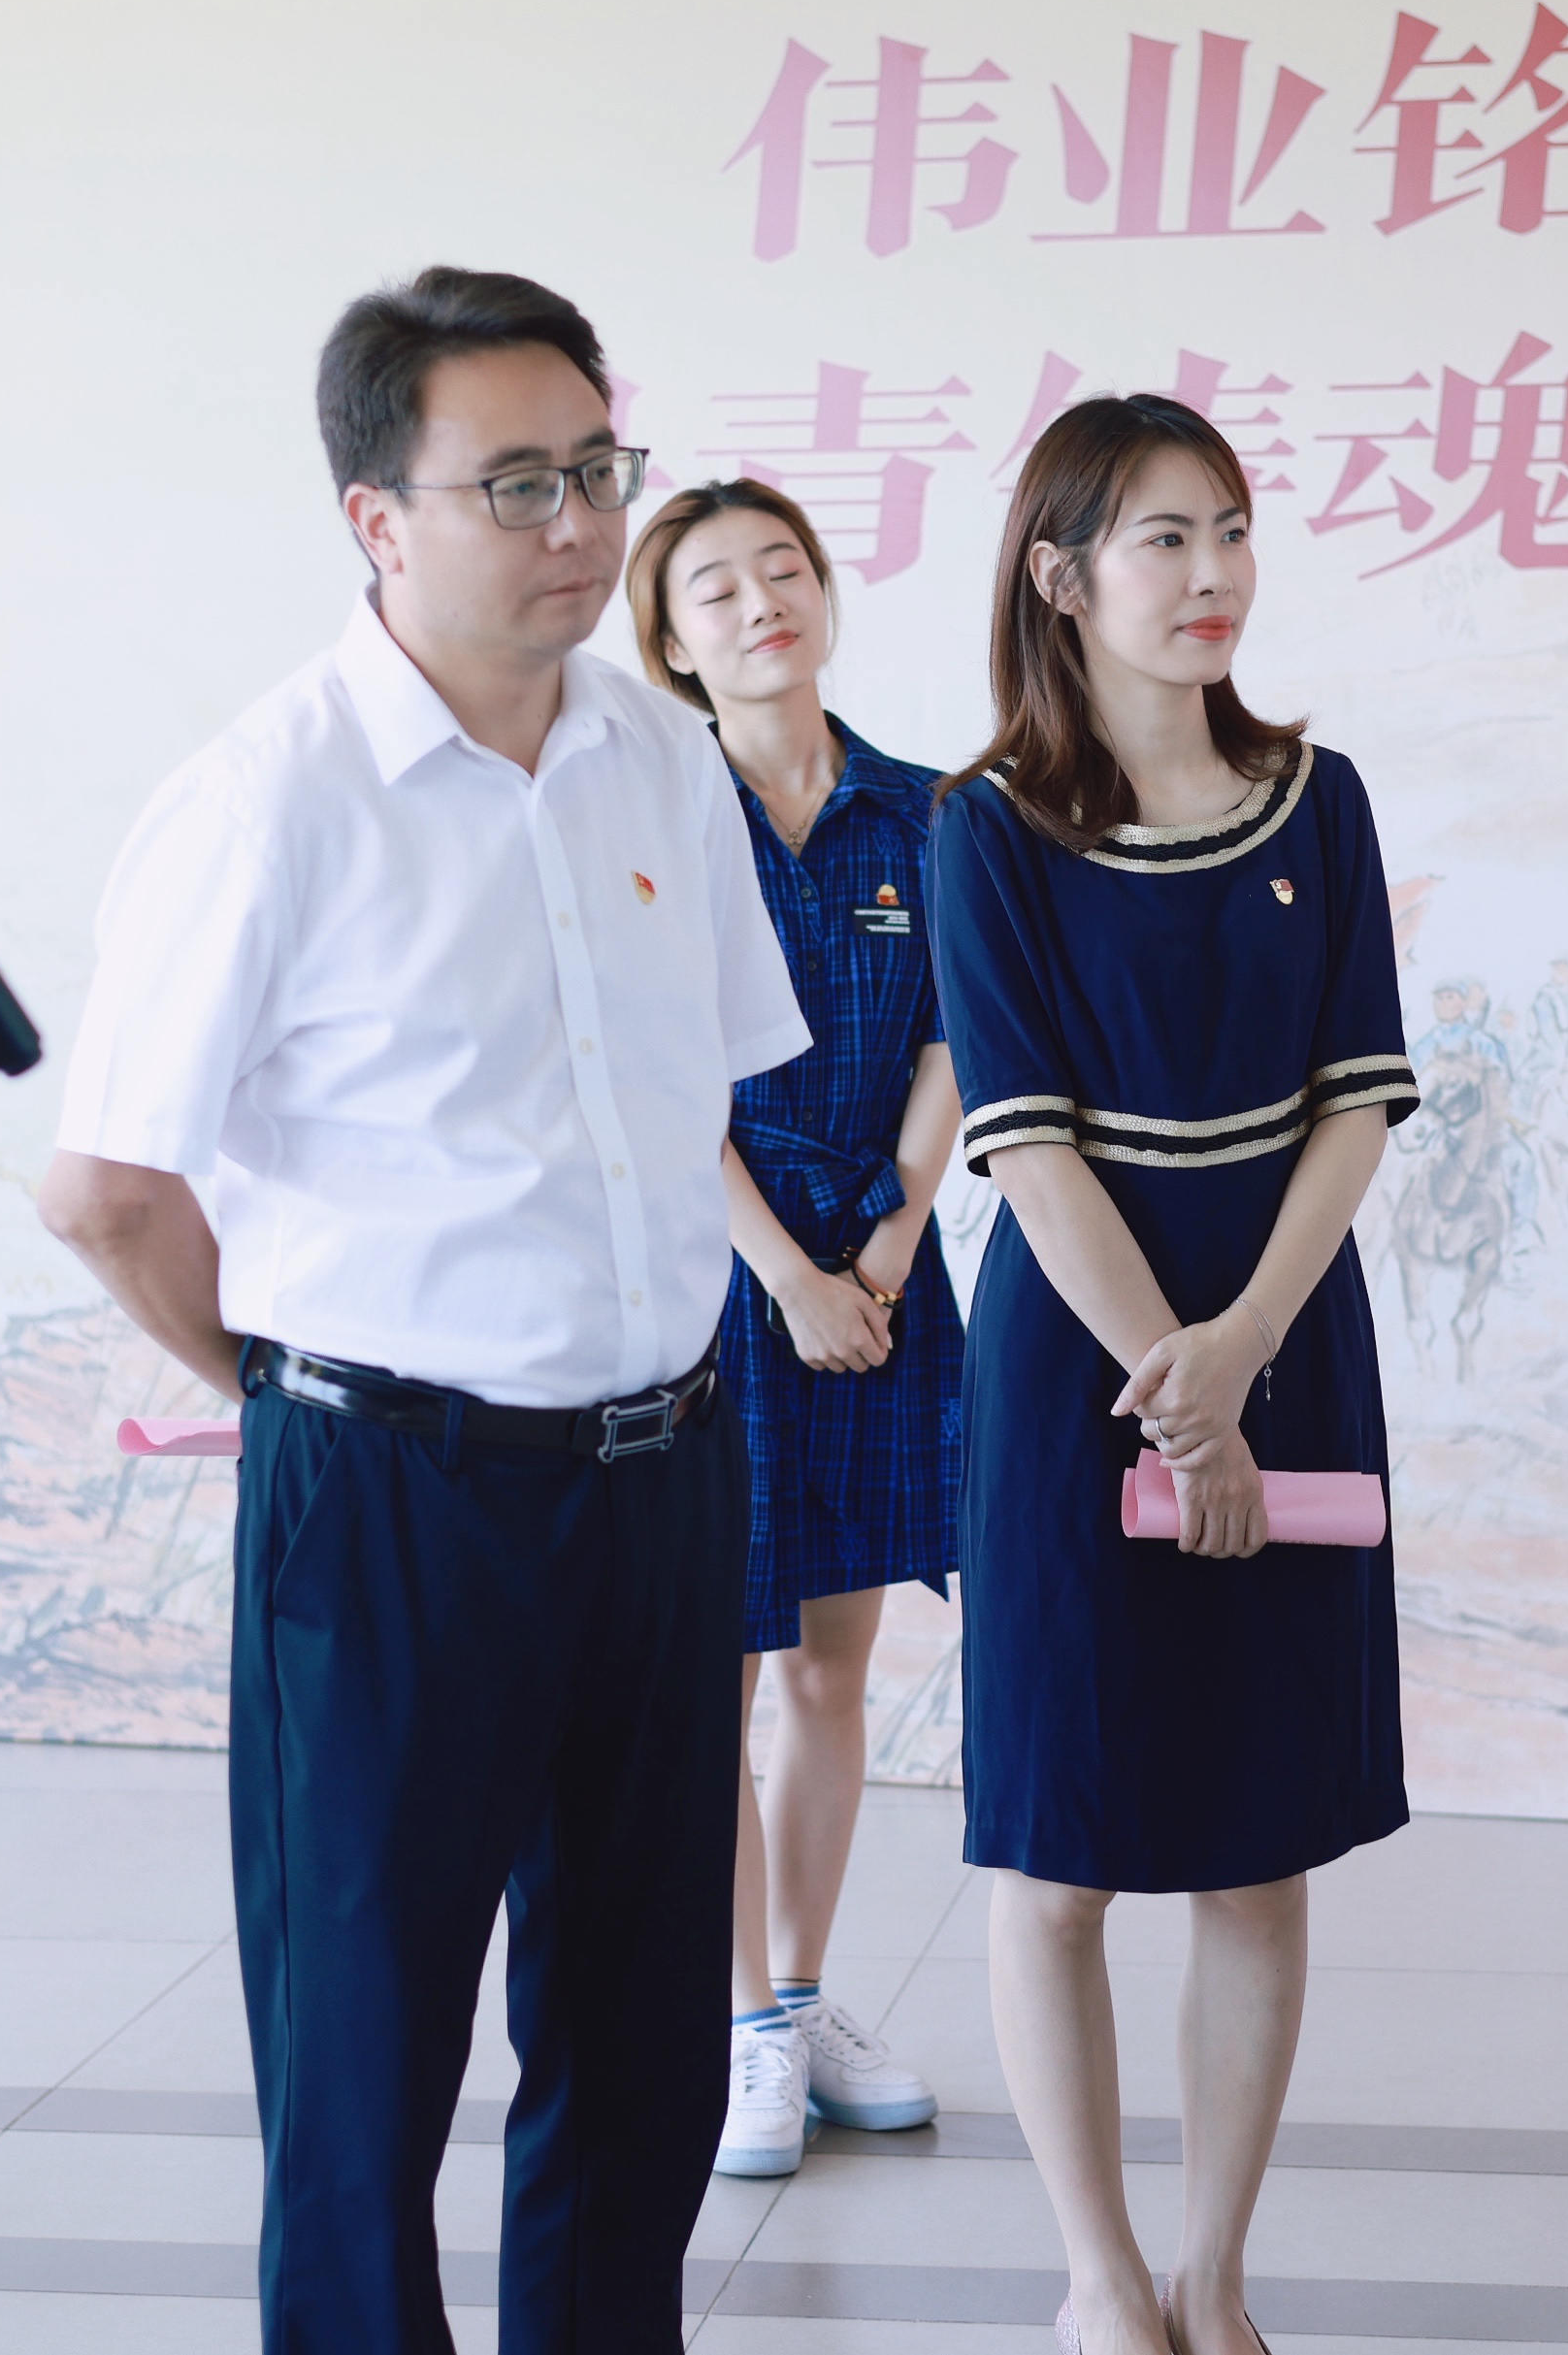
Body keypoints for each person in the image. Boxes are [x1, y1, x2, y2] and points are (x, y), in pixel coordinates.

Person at [38, 267, 804, 2353]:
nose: (582, 523)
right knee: (365, 2070)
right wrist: (293, 1388)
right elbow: (107, 1188)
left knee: (641, 2050)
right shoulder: (268, 797)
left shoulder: (663, 761)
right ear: (376, 518)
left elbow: (704, 1096)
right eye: (519, 483)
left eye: (600, 471)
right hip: (389, 1498)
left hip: (660, 1475)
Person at [927, 393, 1416, 2355]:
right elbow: (1031, 1152)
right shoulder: (986, 829)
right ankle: (1101, 2280)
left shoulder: (1319, 797)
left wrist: (1245, 1354)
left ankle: (1214, 2279)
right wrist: (1172, 1380)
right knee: (1059, 1849)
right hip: (1079, 1371)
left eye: (1231, 529)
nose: (1214, 573)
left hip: (1285, 1338)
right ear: (1061, 575)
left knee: (1257, 1841)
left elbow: (1356, 1102)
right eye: (1164, 538)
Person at [625, 477, 959, 2180]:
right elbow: (656, 1073)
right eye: (717, 589)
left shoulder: (927, 810)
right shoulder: (657, 815)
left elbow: (954, 1040)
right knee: (723, 1667)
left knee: (833, 1664)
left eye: (784, 570)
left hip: (880, 1270)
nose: (763, 603)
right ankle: (742, 2019)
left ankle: (805, 1994)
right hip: (722, 1278)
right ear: (671, 644)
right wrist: (788, 1274)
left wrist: (888, 1243)